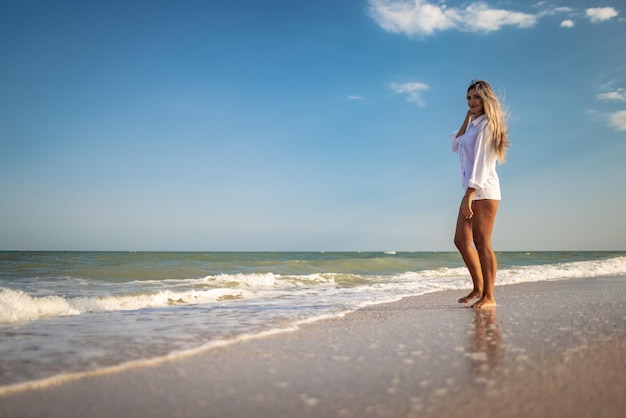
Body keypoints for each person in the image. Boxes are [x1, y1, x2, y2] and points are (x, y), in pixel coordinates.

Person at [451, 80, 509, 308]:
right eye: (468, 98)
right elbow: (456, 144)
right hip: (472, 191)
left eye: (476, 97)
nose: (472, 102)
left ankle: (489, 296)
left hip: (483, 190)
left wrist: (469, 194)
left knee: (482, 242)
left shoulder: (488, 125)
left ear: (486, 99)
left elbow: (482, 163)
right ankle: (478, 288)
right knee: (461, 241)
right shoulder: (474, 124)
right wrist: (467, 118)